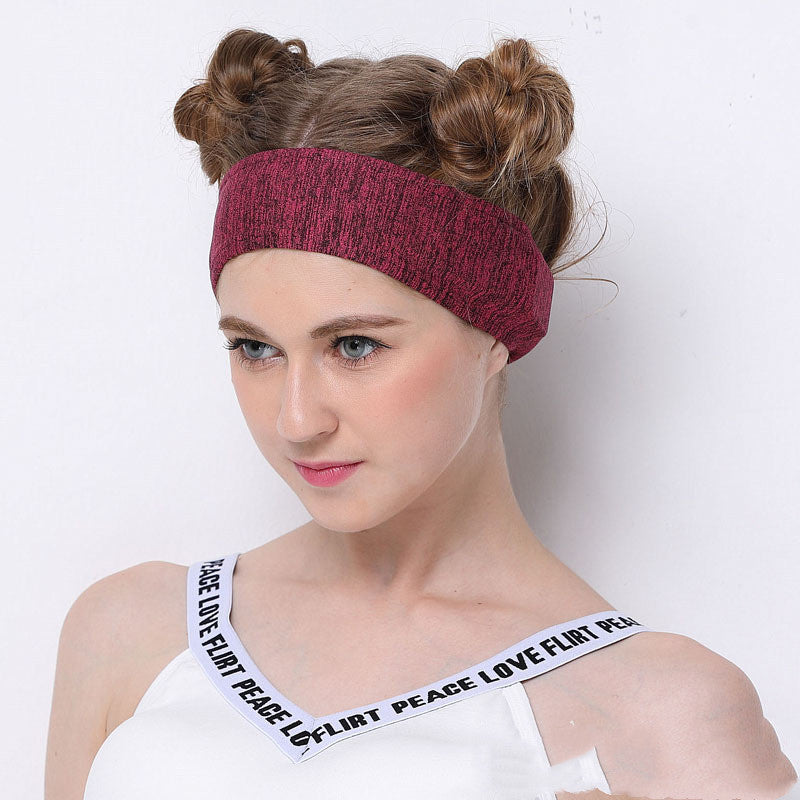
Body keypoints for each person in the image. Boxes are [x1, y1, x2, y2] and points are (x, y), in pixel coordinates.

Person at [45, 27, 797, 800]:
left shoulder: (664, 717)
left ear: (494, 332)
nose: (296, 421)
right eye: (255, 348)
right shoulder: (131, 632)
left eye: (355, 346)